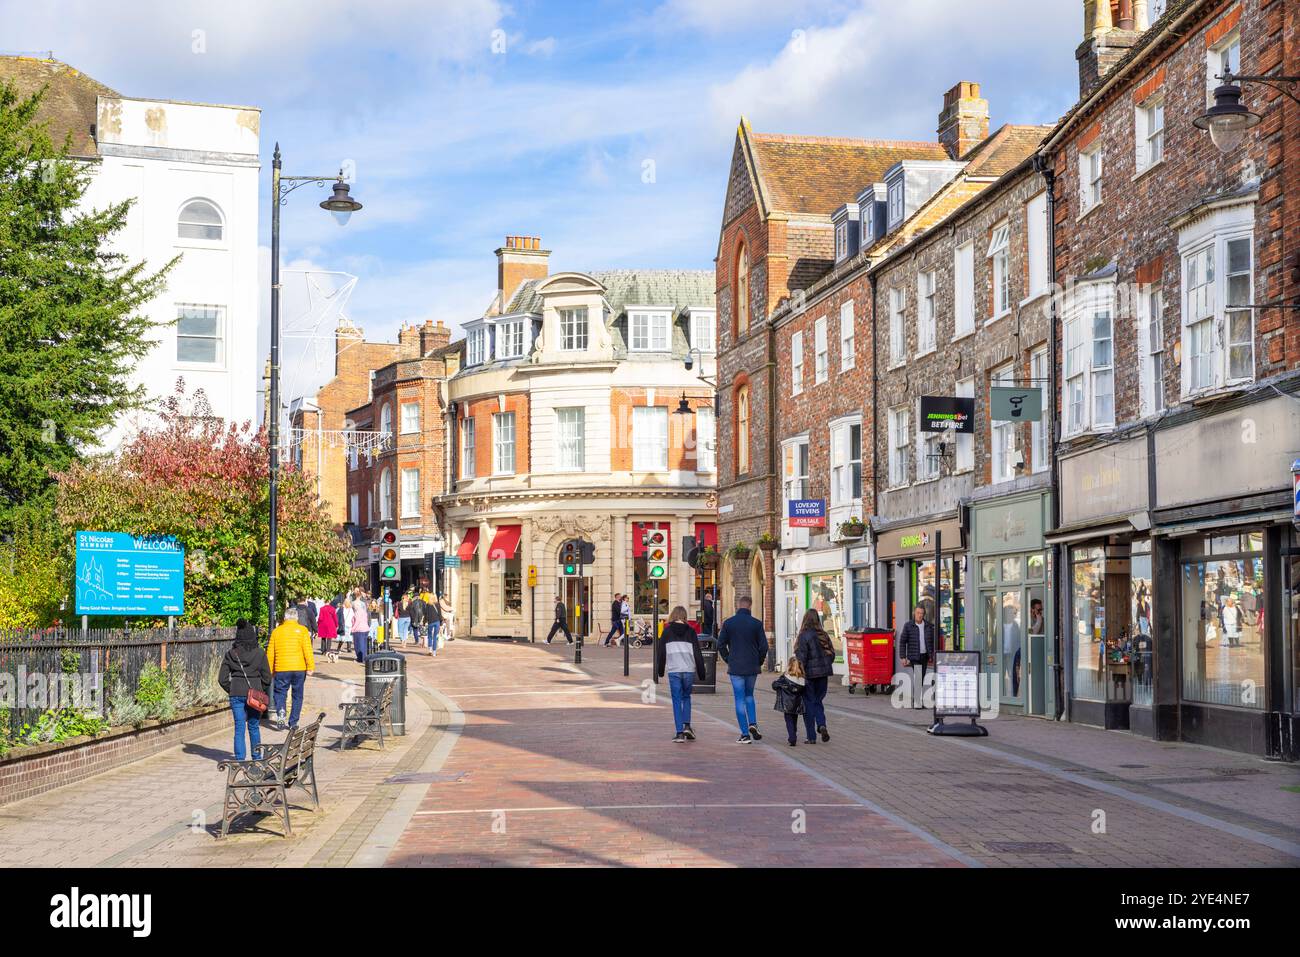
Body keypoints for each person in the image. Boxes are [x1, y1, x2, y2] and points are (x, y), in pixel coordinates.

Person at [716, 595, 769, 743]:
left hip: (736, 666)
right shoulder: (756, 624)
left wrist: (728, 659)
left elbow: (720, 644)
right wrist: (759, 661)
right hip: (752, 666)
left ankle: (745, 734)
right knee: (749, 695)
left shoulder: (729, 623)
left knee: (739, 699)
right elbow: (764, 646)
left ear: (738, 606)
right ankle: (753, 723)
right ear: (750, 606)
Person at [218, 619, 272, 761]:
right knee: (254, 726)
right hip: (255, 694)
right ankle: (256, 757)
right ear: (252, 636)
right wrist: (261, 689)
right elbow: (267, 677)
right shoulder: (260, 653)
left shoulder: (231, 654)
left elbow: (222, 678)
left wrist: (232, 689)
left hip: (236, 693)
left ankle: (240, 759)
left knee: (239, 728)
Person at [656, 605, 707, 742]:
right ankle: (687, 726)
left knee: (676, 700)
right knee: (686, 697)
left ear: (672, 615)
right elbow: (697, 652)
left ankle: (679, 733)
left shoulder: (667, 632)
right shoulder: (691, 631)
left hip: (674, 670)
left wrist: (660, 671)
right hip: (689, 670)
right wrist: (702, 673)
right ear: (684, 616)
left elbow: (661, 653)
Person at [267, 608, 315, 729]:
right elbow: (307, 650)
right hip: (299, 668)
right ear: (297, 618)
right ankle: (293, 722)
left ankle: (281, 712)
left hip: (281, 667)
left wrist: (270, 670)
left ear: (285, 618)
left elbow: (270, 653)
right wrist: (310, 666)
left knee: (280, 692)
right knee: (297, 695)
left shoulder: (276, 632)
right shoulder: (303, 630)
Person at [794, 608, 834, 743]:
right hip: (823, 674)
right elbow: (832, 654)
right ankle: (821, 724)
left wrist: (799, 673)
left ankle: (811, 737)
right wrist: (825, 665)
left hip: (809, 675)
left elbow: (801, 658)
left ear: (805, 620)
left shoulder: (803, 636)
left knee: (809, 704)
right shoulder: (823, 635)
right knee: (818, 701)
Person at [898, 603, 934, 709]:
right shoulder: (909, 625)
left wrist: (932, 655)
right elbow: (902, 641)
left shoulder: (928, 625)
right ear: (914, 613)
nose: (920, 615)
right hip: (914, 656)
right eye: (918, 613)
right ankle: (917, 703)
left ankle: (917, 700)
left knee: (921, 677)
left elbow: (931, 641)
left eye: (922, 613)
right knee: (918, 677)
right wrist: (903, 657)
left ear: (924, 614)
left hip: (925, 656)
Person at [772, 657, 806, 747]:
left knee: (789, 721)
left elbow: (774, 685)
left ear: (789, 666)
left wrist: (779, 685)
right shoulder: (803, 680)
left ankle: (792, 737)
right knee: (794, 720)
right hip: (797, 704)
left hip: (786, 704)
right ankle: (793, 734)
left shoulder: (785, 678)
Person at [351, 594, 370, 662]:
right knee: (364, 644)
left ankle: (360, 658)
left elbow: (355, 622)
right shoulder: (364, 612)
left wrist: (353, 629)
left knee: (358, 645)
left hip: (358, 630)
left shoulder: (356, 613)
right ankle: (364, 657)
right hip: (365, 629)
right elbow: (367, 620)